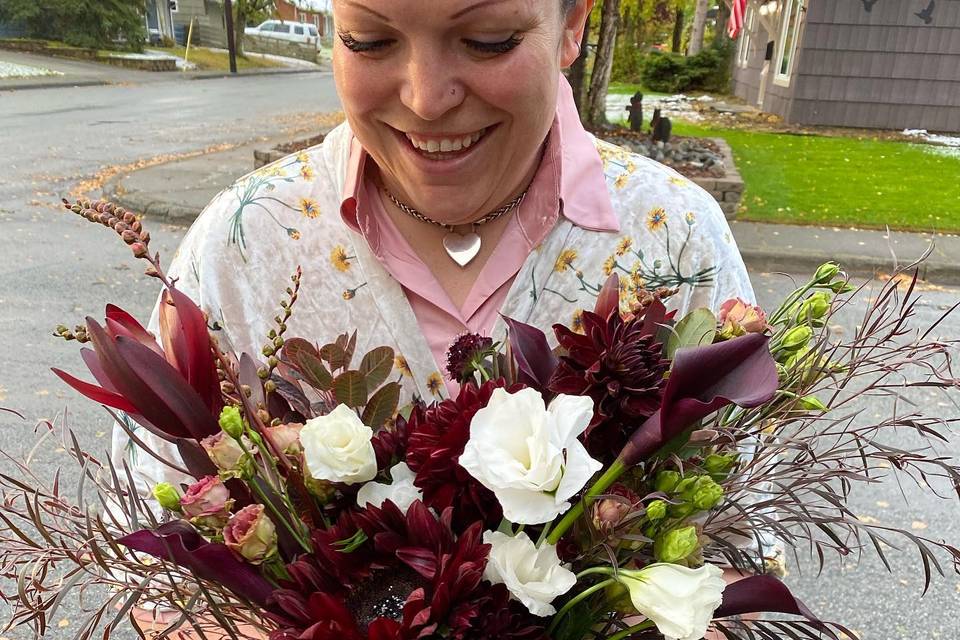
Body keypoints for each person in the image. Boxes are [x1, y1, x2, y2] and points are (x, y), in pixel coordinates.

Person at [118, 1, 770, 636]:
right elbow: (157, 561)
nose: (427, 100)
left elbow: (742, 547)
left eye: (488, 40)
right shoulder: (248, 242)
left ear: (571, 27)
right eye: (370, 40)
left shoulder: (674, 241)